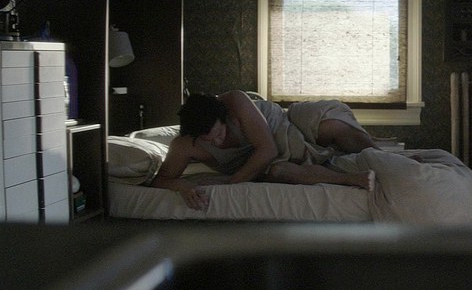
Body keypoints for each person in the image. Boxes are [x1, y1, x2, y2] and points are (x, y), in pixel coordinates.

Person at [152, 90, 377, 210]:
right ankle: (351, 177)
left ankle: (381, 155)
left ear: (224, 118)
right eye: (209, 140)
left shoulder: (234, 102)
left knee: (332, 124)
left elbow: (267, 150)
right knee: (280, 172)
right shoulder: (184, 145)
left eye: (220, 134)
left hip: (284, 125)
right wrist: (184, 186)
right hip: (268, 160)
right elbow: (161, 179)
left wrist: (231, 182)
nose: (218, 142)